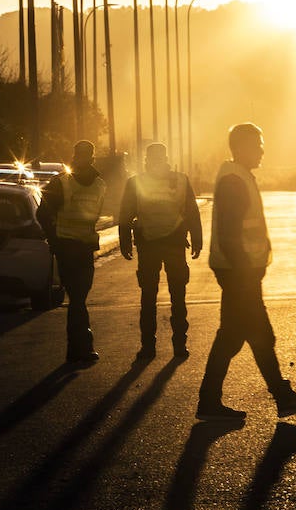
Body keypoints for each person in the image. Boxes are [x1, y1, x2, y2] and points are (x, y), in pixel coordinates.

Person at [197, 123, 296, 422]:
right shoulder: (234, 180)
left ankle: (212, 401)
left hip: (240, 271)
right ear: (241, 148)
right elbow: (230, 234)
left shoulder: (237, 176)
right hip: (239, 272)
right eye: (258, 144)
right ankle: (281, 397)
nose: (262, 150)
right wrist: (244, 275)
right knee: (257, 335)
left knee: (234, 336)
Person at [118, 142, 203, 361]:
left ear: (147, 160)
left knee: (148, 297)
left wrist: (125, 242)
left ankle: (148, 348)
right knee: (178, 297)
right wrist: (197, 239)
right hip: (174, 245)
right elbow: (192, 212)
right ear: (166, 158)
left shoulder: (136, 182)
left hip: (148, 246)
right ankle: (179, 345)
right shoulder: (180, 180)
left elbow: (126, 214)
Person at [37, 140, 107, 363]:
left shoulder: (97, 184)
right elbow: (42, 214)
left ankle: (78, 349)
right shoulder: (62, 183)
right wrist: (55, 239)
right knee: (78, 297)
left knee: (79, 298)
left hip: (82, 248)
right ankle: (81, 347)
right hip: (68, 248)